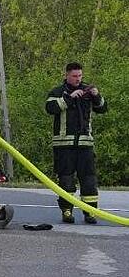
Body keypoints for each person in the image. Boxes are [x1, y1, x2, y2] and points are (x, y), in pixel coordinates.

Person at [45, 62, 107, 224]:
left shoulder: (88, 91)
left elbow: (102, 108)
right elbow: (50, 108)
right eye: (74, 76)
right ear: (66, 75)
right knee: (66, 179)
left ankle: (90, 212)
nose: (78, 79)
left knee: (89, 179)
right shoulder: (58, 92)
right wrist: (69, 98)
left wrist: (96, 95)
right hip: (64, 145)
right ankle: (67, 211)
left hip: (85, 144)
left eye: (80, 76)